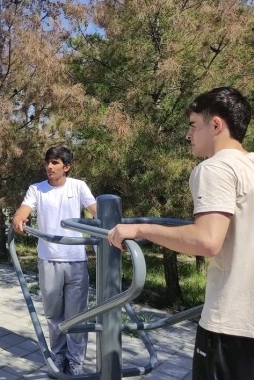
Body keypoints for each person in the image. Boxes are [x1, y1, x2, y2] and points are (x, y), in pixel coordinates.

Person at [108, 87, 254, 380]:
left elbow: (206, 241)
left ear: (216, 125)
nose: (188, 135)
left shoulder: (215, 168)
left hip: (231, 325)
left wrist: (139, 228)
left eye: (193, 125)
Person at [12, 145, 97, 376]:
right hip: (48, 259)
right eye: (48, 162)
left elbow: (96, 210)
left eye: (55, 162)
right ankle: (59, 356)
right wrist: (19, 218)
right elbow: (23, 210)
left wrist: (115, 227)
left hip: (76, 259)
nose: (49, 166)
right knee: (53, 314)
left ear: (66, 167)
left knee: (77, 314)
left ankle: (76, 361)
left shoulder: (78, 186)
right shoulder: (36, 189)